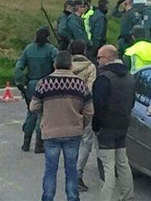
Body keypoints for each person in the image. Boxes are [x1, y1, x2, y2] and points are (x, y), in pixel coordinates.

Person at [30, 51, 94, 201]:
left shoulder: (44, 83)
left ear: (54, 64)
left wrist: (47, 112)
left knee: (50, 170)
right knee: (71, 170)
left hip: (51, 132)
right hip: (73, 132)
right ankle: (72, 197)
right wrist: (81, 124)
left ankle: (48, 198)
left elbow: (33, 107)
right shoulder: (80, 84)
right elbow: (89, 111)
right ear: (71, 65)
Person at [93, 45, 135, 201]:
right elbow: (132, 102)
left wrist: (96, 126)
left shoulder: (104, 78)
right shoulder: (130, 77)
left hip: (106, 127)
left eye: (99, 58)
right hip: (123, 124)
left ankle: (106, 198)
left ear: (107, 58)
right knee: (123, 162)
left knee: (108, 166)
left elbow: (98, 105)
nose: (97, 62)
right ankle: (127, 195)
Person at [15, 26, 59, 153]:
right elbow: (58, 65)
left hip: (31, 84)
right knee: (43, 114)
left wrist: (19, 82)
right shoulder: (51, 50)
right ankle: (39, 143)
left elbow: (19, 67)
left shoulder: (28, 49)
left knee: (31, 112)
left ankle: (26, 142)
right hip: (46, 83)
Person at [68, 40, 97, 192]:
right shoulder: (91, 67)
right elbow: (90, 89)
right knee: (86, 140)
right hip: (83, 106)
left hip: (66, 107)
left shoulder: (64, 66)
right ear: (85, 51)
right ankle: (77, 172)